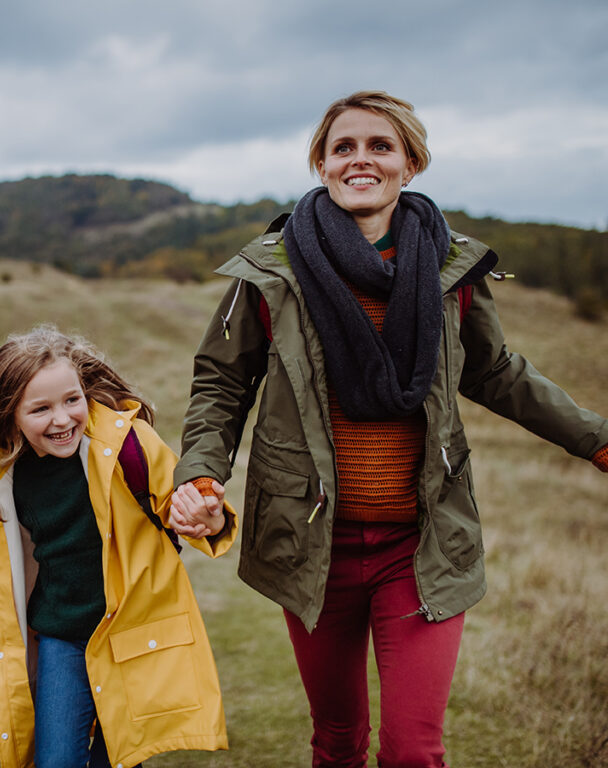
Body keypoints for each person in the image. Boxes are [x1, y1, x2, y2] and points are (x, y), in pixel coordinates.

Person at [173, 90, 608, 768]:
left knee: (411, 750)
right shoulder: (271, 270)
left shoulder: (452, 269)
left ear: (412, 162)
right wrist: (200, 474)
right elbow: (221, 384)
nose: (361, 159)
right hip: (311, 543)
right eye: (343, 147)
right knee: (339, 741)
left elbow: (494, 371)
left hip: (423, 541)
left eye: (380, 145)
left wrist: (596, 438)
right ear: (321, 163)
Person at [0, 326, 235, 768]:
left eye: (71, 400)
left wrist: (207, 518)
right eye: (40, 409)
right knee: (55, 760)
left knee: (120, 757)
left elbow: (183, 505)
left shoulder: (126, 445)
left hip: (132, 635)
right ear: (10, 414)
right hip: (62, 636)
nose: (62, 420)